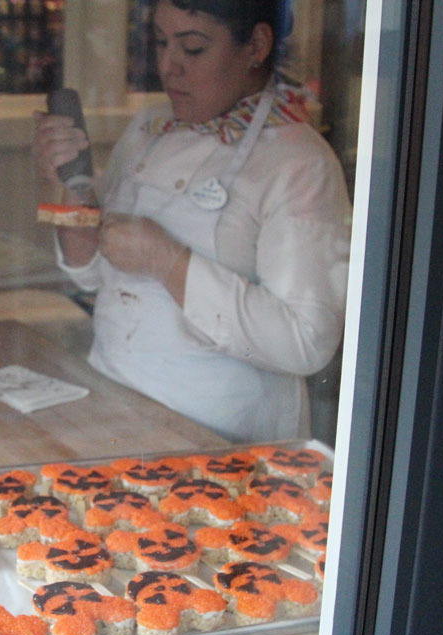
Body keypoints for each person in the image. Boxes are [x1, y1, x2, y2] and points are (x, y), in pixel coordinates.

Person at [32, 0, 351, 443]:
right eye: (161, 43)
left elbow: (306, 342)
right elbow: (87, 274)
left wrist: (168, 262)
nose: (168, 66)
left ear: (256, 45)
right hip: (112, 408)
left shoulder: (298, 162)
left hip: (222, 440)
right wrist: (71, 181)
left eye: (193, 48)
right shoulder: (148, 131)